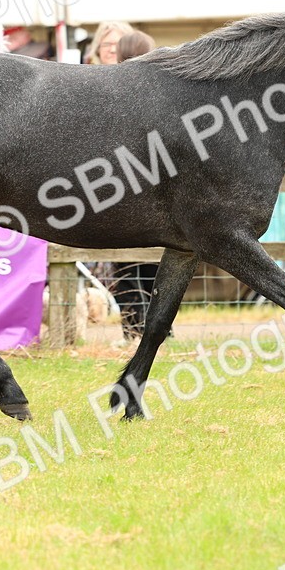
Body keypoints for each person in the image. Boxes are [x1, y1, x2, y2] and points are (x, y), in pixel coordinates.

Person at [105, 30, 158, 342]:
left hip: (117, 189)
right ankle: (157, 328)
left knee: (125, 268)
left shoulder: (110, 89)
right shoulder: (160, 91)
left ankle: (132, 328)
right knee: (154, 268)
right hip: (152, 190)